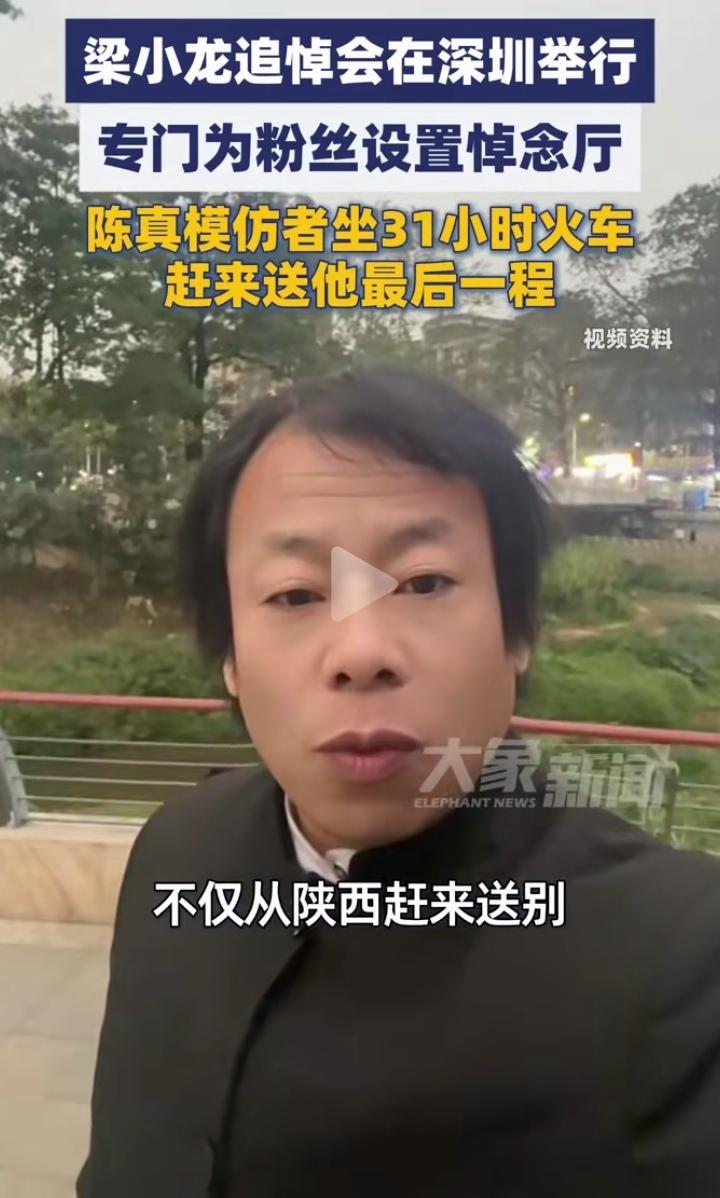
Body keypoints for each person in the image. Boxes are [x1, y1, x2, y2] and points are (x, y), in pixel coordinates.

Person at [77, 368, 720, 1198]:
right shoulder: (177, 850)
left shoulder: (684, 959)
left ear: (518, 630)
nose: (361, 652)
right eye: (295, 594)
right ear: (229, 655)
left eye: (423, 583)